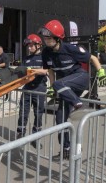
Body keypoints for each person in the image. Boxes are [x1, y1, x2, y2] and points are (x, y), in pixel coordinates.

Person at [39, 19, 106, 159]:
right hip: (66, 85)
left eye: (49, 37)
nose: (46, 40)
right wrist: (51, 87)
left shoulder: (70, 48)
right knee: (60, 117)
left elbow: (92, 57)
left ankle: (79, 105)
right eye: (45, 37)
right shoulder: (46, 52)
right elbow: (50, 70)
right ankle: (66, 149)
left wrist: (101, 72)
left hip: (80, 78)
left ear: (58, 38)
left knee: (59, 84)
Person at [16, 34, 48, 149]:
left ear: (38, 45)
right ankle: (20, 134)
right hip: (27, 88)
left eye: (31, 46)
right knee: (23, 112)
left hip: (39, 88)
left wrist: (32, 71)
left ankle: (35, 138)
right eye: (28, 46)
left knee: (38, 114)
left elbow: (46, 71)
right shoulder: (26, 59)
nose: (29, 48)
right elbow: (21, 72)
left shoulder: (44, 57)